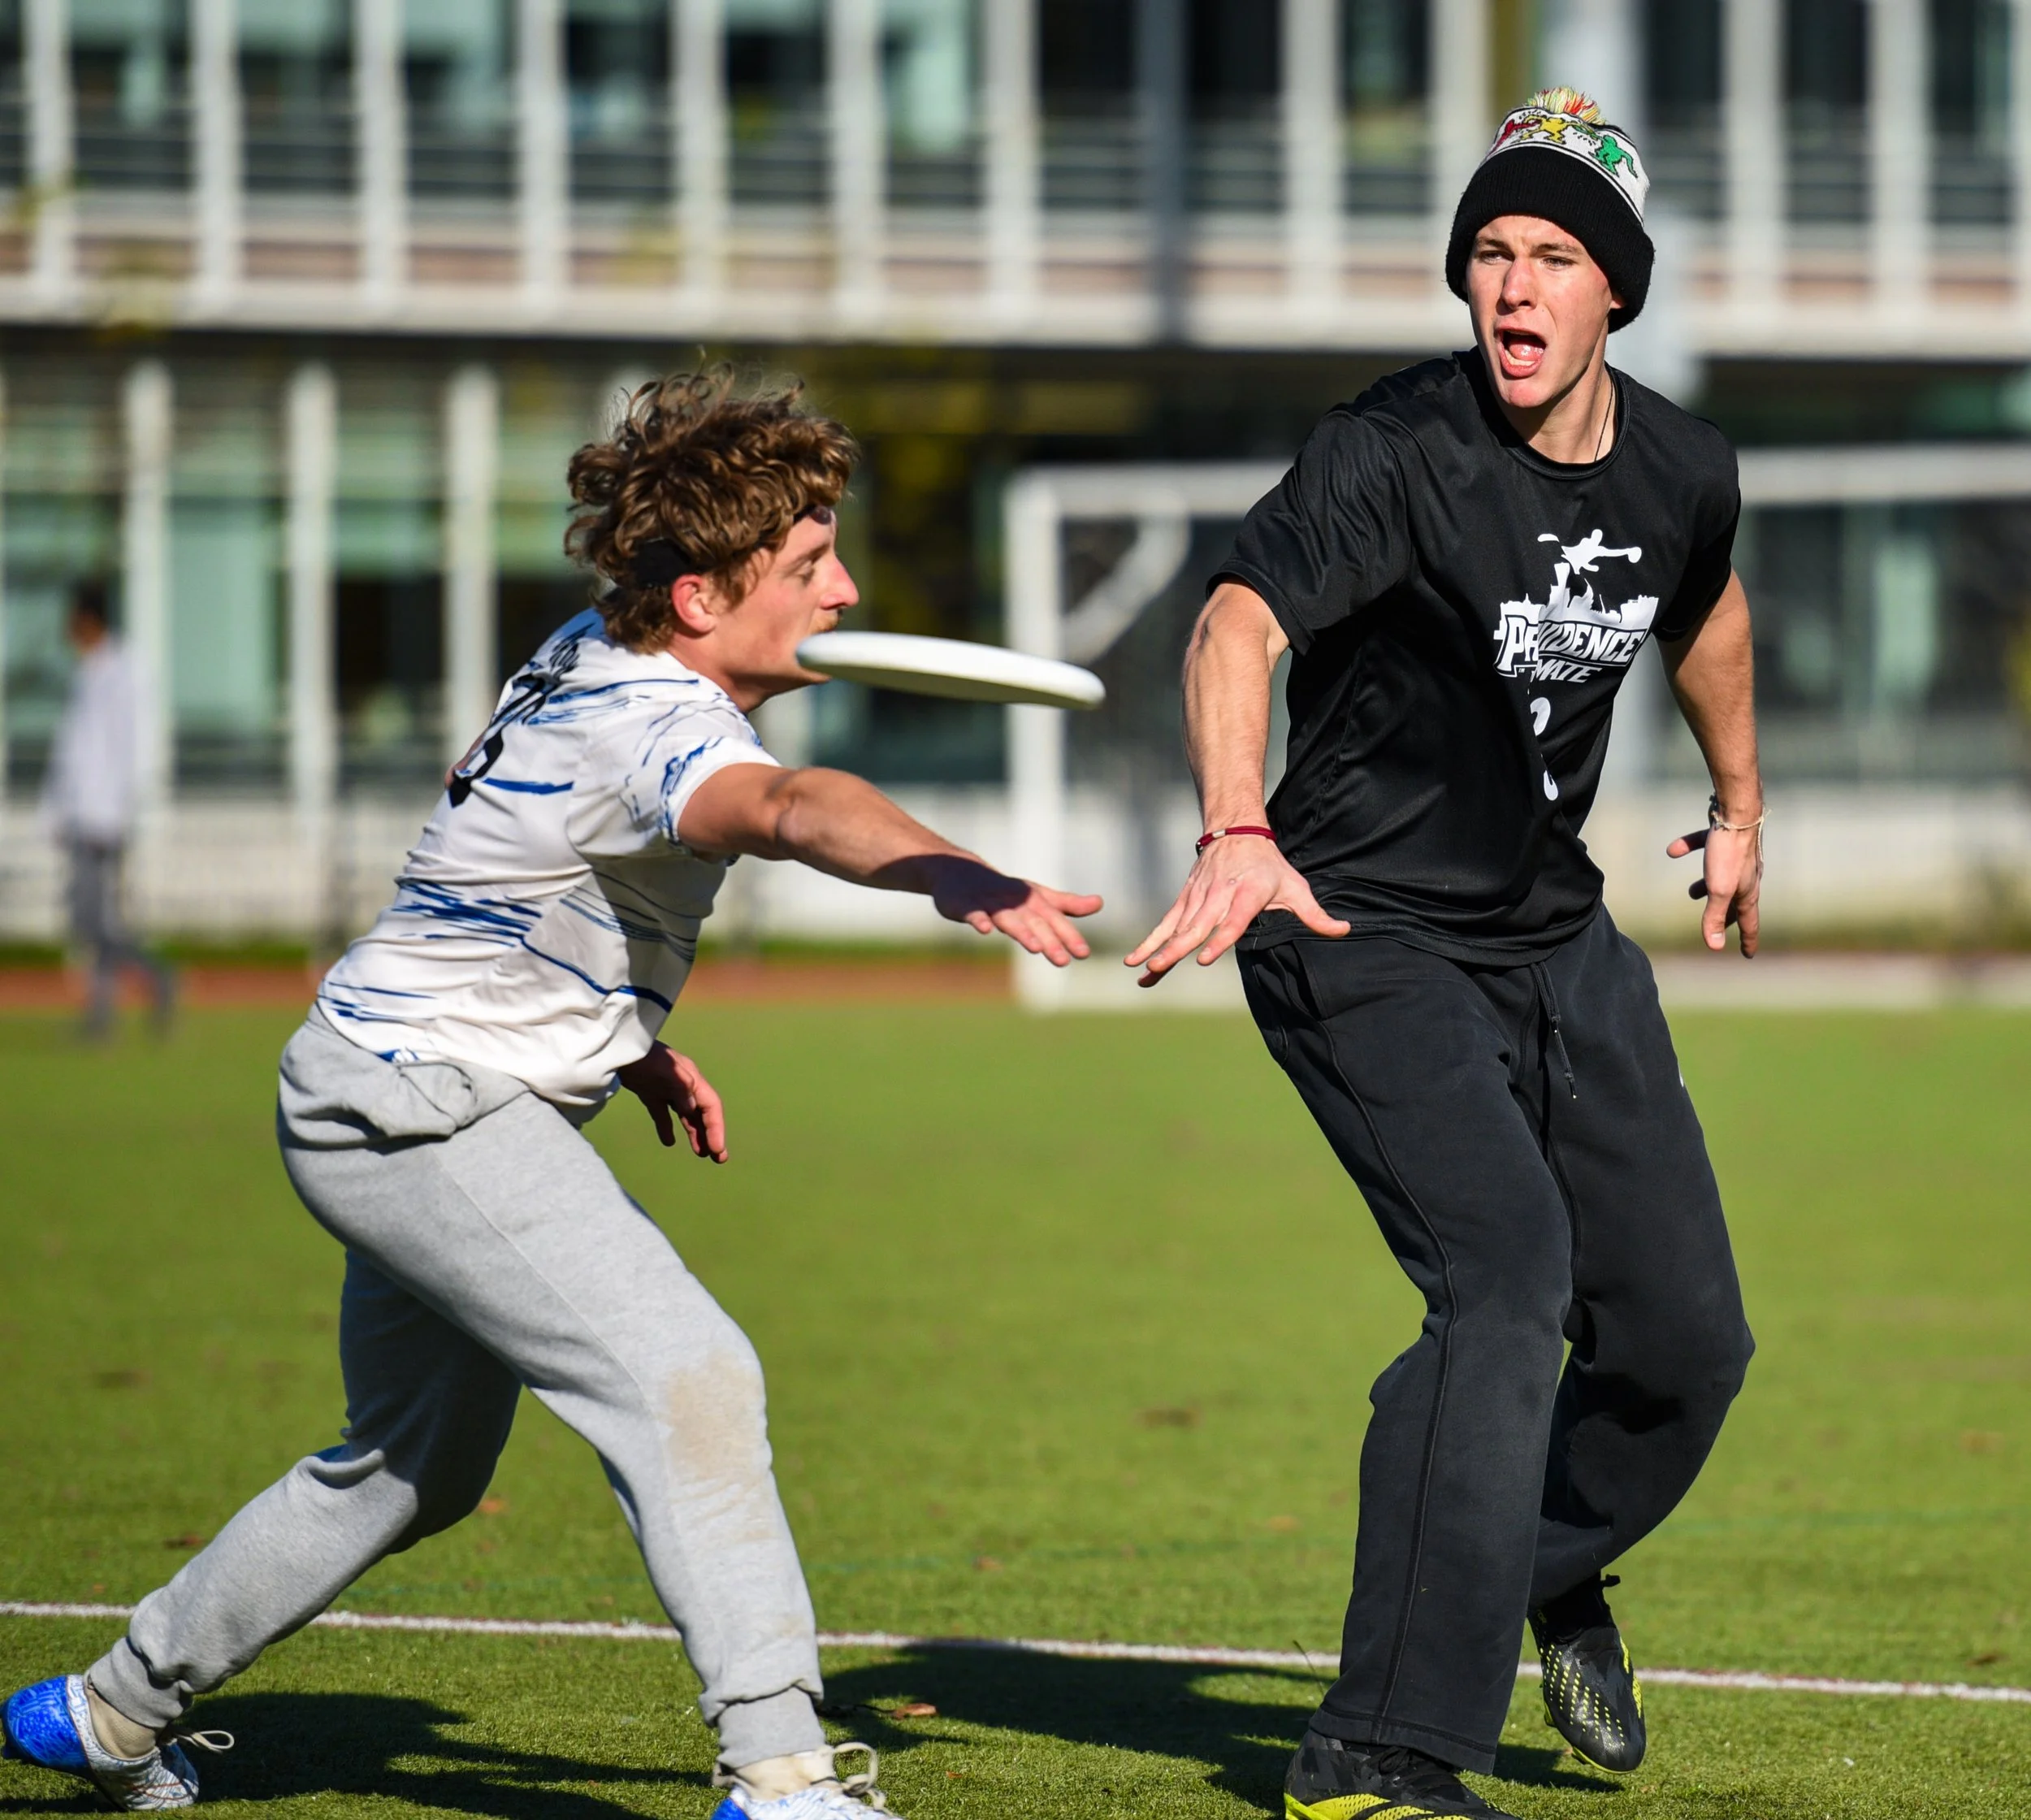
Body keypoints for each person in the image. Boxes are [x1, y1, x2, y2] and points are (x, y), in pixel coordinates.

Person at [2, 372, 1101, 1818]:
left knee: (413, 1467)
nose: (843, 592)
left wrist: (620, 1038)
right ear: (700, 599)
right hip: (420, 1108)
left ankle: (109, 1712)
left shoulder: (591, 649)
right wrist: (950, 869)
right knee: (689, 1374)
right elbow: (787, 808)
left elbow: (510, 871)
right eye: (810, 565)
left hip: (396, 1074)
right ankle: (778, 1775)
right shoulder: (664, 728)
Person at [1128, 90, 1760, 1820]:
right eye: (1487, 251)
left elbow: (1696, 598)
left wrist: (1740, 797)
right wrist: (1232, 822)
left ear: (1612, 291)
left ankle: (1539, 1563)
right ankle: (1375, 1753)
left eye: (1551, 255)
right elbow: (1235, 617)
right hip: (1350, 922)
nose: (1510, 285)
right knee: (1501, 1283)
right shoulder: (1388, 449)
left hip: (1549, 931)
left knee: (1686, 1341)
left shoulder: (1682, 466)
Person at [41, 579, 175, 1038]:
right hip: (83, 815)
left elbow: (132, 746)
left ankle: (153, 981)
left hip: (104, 818)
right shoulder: (88, 672)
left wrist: (119, 811)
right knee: (89, 922)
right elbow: (73, 752)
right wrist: (58, 812)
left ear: (86, 618)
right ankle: (106, 1011)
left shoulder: (123, 670)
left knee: (95, 923)